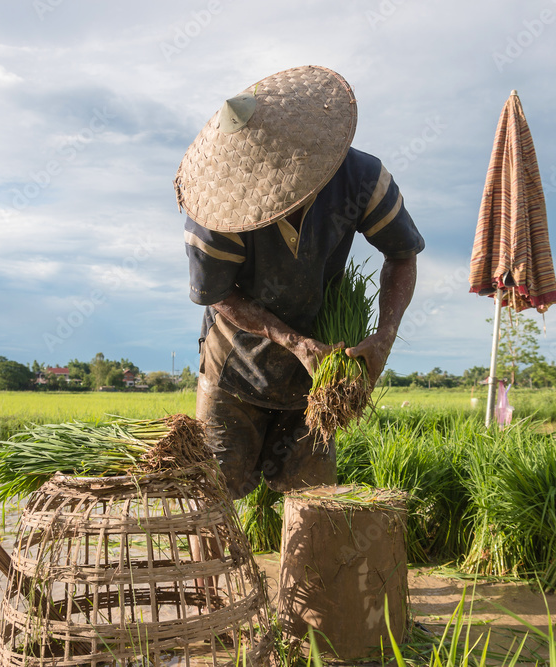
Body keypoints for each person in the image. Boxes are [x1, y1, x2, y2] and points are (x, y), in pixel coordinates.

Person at [175, 65, 424, 500]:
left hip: (317, 375)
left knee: (314, 501)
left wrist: (384, 337)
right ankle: (214, 572)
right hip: (236, 367)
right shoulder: (216, 218)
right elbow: (219, 296)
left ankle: (306, 571)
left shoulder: (359, 178)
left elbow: (401, 254)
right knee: (212, 497)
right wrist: (290, 340)